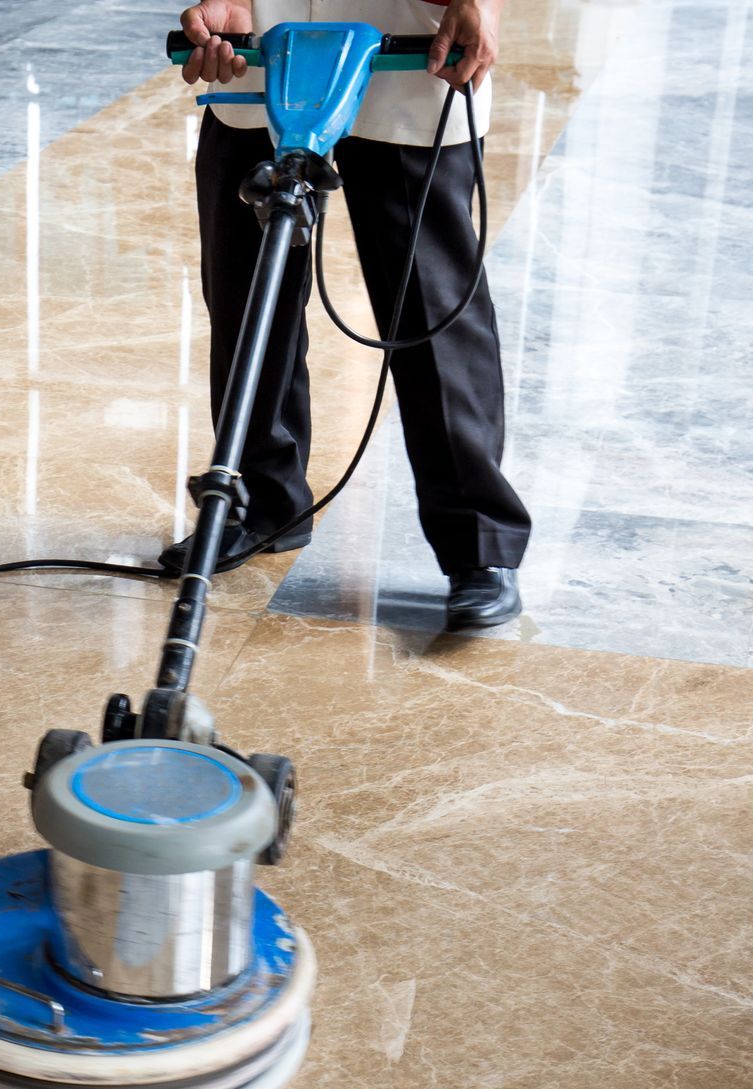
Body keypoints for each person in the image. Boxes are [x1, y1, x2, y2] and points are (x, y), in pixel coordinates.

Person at [166, 0, 528, 629]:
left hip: (411, 40)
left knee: (431, 309)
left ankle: (479, 542)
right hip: (265, 45)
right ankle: (260, 500)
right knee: (246, 294)